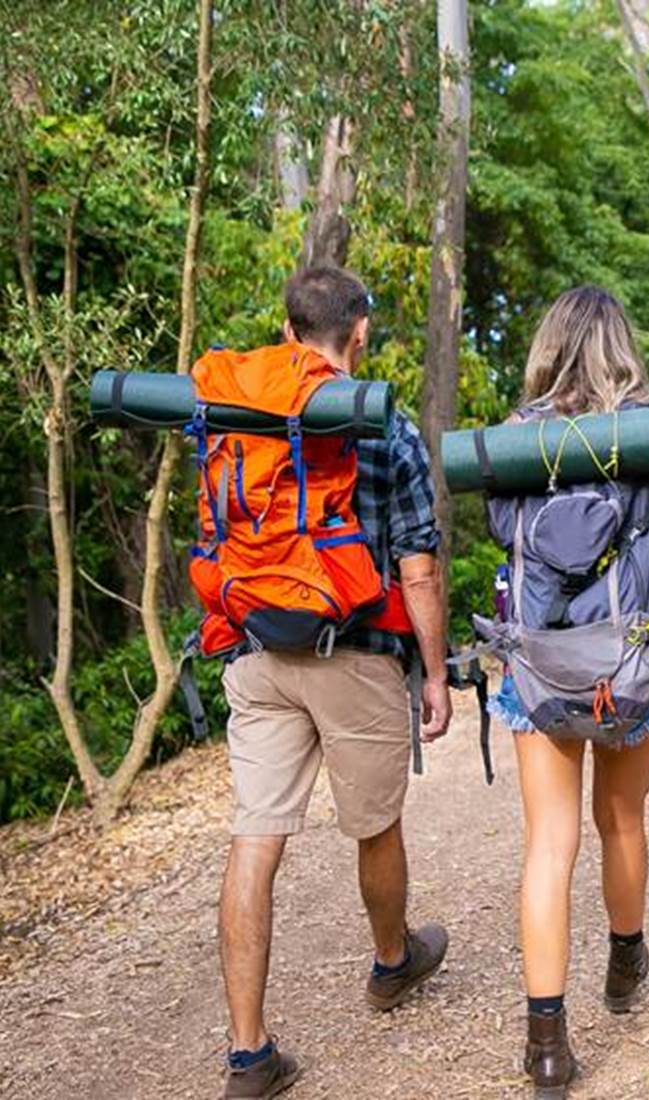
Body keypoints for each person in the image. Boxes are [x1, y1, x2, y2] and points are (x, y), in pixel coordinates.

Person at [216, 266, 453, 1099]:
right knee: (375, 821)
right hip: (354, 652)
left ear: (287, 333)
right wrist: (434, 672)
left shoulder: (238, 414)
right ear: (358, 334)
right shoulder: (383, 424)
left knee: (256, 836)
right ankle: (393, 962)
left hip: (255, 652)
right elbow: (417, 565)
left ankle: (248, 1054)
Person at [487, 287, 649, 1096]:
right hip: (631, 664)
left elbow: (499, 534)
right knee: (621, 818)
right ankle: (625, 962)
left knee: (549, 844)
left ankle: (546, 1047)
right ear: (624, 345)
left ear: (549, 346)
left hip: (539, 670)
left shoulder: (516, 439)